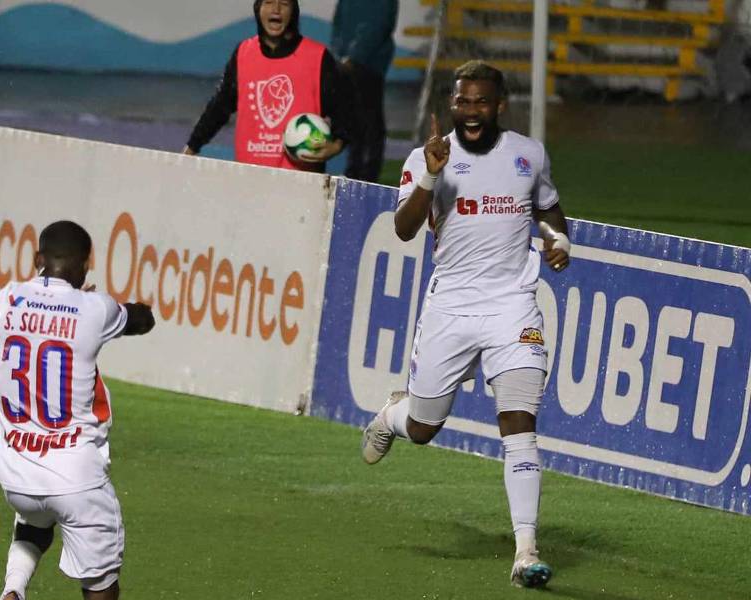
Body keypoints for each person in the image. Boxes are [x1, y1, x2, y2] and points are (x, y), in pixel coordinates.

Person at [360, 61, 570, 588]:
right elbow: (405, 229)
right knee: (426, 428)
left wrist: (557, 240)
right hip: (450, 308)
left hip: (513, 307)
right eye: (461, 102)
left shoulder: (528, 155)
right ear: (452, 105)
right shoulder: (426, 157)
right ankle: (392, 416)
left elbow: (549, 210)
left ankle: (526, 552)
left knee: (519, 425)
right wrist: (431, 174)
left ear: (499, 106)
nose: (470, 111)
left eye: (480, 102)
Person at [0, 221, 155, 600]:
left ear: (37, 259)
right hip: (74, 474)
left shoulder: (7, 297)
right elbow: (140, 320)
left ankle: (12, 590)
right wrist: (131, 309)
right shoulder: (95, 309)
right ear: (85, 267)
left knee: (34, 519)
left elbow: (48, 318)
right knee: (101, 582)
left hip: (15, 469)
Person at [183, 0, 350, 172]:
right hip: (249, 176)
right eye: (269, 2)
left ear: (293, 12)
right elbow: (220, 106)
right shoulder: (243, 53)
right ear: (258, 9)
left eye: (284, 4)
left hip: (302, 182)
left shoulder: (318, 57)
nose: (276, 9)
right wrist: (192, 146)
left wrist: (336, 146)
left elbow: (346, 114)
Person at [330, 0, 398, 182]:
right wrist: (338, 55)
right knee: (353, 120)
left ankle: (368, 178)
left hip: (369, 65)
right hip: (344, 64)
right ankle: (353, 172)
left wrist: (354, 57)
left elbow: (379, 24)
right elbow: (338, 23)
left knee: (369, 122)